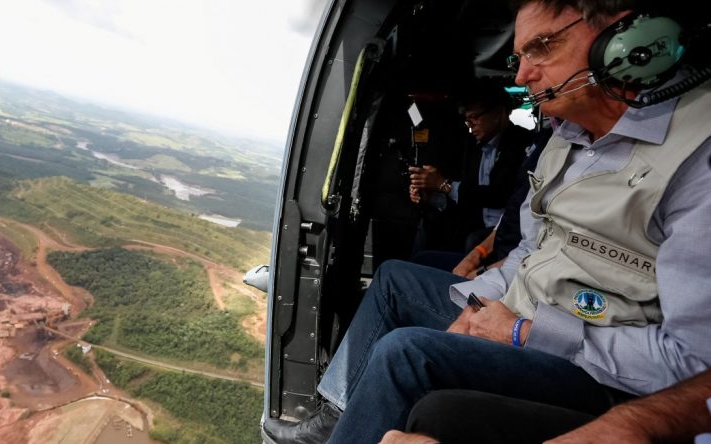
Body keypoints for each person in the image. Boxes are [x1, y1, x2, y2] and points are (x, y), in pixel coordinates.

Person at [263, 1, 711, 443]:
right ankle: (342, 414)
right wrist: (477, 309)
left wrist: (522, 332)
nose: (521, 75)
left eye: (542, 47)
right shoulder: (565, 143)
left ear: (624, 40)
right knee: (400, 279)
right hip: (521, 313)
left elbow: (693, 365)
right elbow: (529, 253)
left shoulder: (698, 157)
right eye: (519, 57)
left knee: (406, 354)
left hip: (602, 373)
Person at [382, 368, 711, 443]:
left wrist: (520, 330)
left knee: (407, 350)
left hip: (613, 370)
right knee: (439, 412)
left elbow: (679, 360)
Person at [409, 80, 531, 253]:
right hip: (471, 226)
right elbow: (466, 197)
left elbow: (500, 195)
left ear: (499, 113)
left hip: (508, 231)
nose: (470, 126)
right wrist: (432, 196)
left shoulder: (521, 144)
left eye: (474, 118)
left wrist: (444, 185)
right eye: (467, 120)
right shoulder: (472, 147)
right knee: (427, 229)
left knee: (473, 240)